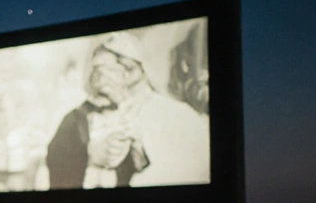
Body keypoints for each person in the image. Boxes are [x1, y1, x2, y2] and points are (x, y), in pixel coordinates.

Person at [47, 32, 209, 190]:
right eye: (97, 69)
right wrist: (89, 154)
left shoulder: (177, 116)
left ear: (133, 71)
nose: (100, 77)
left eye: (108, 69)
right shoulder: (79, 116)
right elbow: (57, 158)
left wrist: (137, 151)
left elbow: (187, 171)